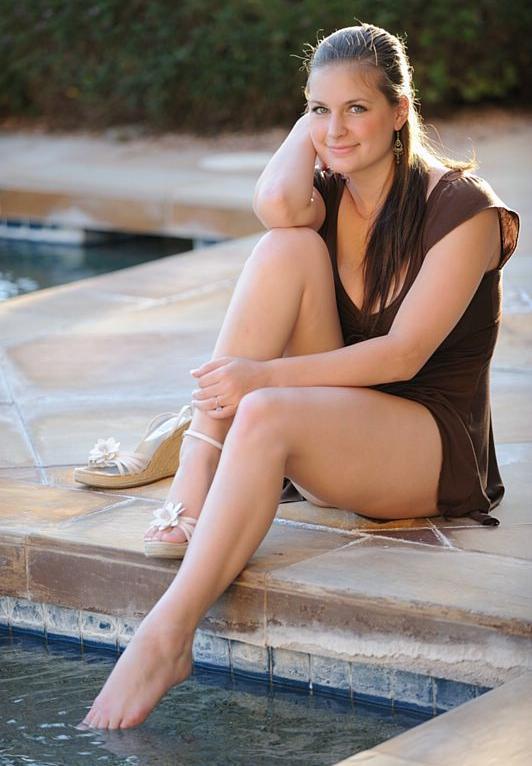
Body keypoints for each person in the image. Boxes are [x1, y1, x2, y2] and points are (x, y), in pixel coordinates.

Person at [77, 22, 519, 729]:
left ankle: (167, 635)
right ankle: (196, 471)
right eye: (319, 110)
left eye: (357, 109)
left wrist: (263, 377)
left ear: (400, 110)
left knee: (265, 410)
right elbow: (276, 207)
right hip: (339, 425)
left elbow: (402, 357)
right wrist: (318, 119)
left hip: (428, 445)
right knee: (284, 248)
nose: (334, 131)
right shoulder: (326, 193)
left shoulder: (463, 208)